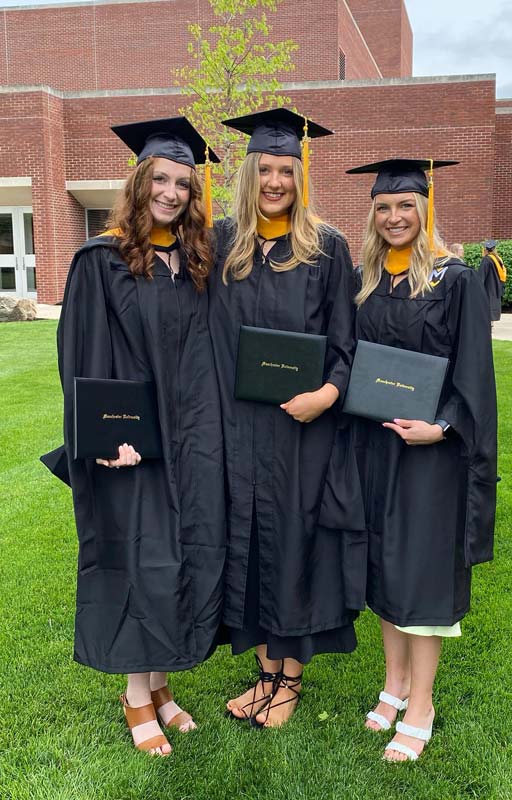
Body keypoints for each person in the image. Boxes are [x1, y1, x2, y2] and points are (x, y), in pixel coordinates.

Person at [55, 117, 225, 755]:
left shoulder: (195, 263)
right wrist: (103, 435)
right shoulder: (100, 262)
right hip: (130, 442)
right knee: (138, 553)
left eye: (183, 183)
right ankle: (135, 697)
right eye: (161, 178)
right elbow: (82, 358)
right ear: (139, 182)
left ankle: (161, 686)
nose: (173, 192)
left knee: (178, 552)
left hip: (191, 438)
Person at [209, 108, 365, 728]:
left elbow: (345, 344)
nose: (276, 180)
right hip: (240, 430)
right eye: (266, 168)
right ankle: (264, 673)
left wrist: (327, 396)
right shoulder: (223, 243)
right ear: (250, 173)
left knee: (295, 545)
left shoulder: (326, 248)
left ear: (302, 176)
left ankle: (290, 680)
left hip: (303, 430)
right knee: (250, 543)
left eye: (287, 170)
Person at [346, 158, 497, 762]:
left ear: (426, 208)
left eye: (405, 205)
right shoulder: (370, 281)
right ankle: (395, 684)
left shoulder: (455, 280)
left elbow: (475, 375)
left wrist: (442, 427)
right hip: (378, 447)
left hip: (432, 455)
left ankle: (424, 705)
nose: (394, 217)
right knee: (385, 565)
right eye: (383, 207)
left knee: (423, 577)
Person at [478, 239, 506, 321]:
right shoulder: (498, 259)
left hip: (488, 286)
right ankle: (491, 322)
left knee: (488, 304)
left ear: (486, 250)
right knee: (493, 303)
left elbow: (481, 275)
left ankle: (488, 323)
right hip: (496, 286)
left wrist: (478, 287)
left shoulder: (486, 260)